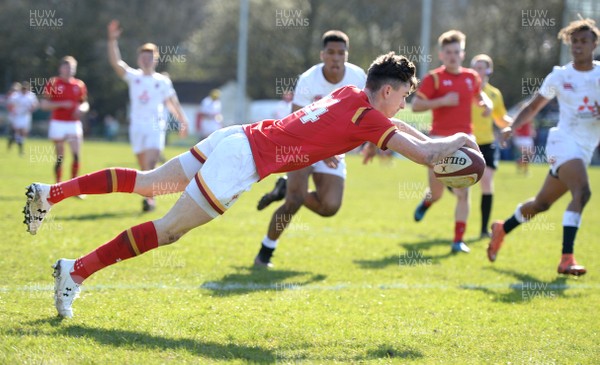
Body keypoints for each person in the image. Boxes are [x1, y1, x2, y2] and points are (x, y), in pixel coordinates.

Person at [23, 52, 480, 318]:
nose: (405, 104)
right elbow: (422, 153)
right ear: (387, 91)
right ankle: (75, 270)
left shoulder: (352, 96)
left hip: (240, 134)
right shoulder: (369, 115)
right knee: (168, 229)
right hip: (245, 159)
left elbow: (416, 137)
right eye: (405, 95)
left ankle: (50, 192)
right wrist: (462, 139)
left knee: (147, 184)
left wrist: (445, 138)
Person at [487, 18, 600, 276]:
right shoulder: (560, 75)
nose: (579, 46)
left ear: (595, 43)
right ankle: (566, 259)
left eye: (584, 41)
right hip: (563, 143)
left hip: (584, 148)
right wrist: (511, 127)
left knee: (541, 204)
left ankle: (502, 228)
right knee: (582, 193)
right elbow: (533, 107)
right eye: (575, 42)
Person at [254, 30, 367, 267]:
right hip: (302, 145)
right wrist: (322, 150)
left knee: (329, 207)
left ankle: (286, 187)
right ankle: (265, 253)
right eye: (331, 52)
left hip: (334, 149)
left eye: (340, 53)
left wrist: (373, 144)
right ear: (322, 55)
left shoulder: (358, 77)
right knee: (294, 202)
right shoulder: (308, 79)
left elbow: (368, 114)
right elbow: (296, 123)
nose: (335, 58)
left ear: (347, 55)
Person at [411, 30, 491, 253]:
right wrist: (443, 100)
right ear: (441, 54)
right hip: (438, 140)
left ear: (463, 53)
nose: (453, 56)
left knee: (464, 191)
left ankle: (458, 240)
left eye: (457, 51)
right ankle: (428, 202)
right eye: (448, 52)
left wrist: (486, 104)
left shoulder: (471, 77)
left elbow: (479, 95)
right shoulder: (434, 78)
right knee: (436, 192)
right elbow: (416, 105)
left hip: (465, 139)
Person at [107, 20, 189, 212]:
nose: (146, 60)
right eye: (143, 57)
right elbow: (115, 63)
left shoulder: (163, 81)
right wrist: (112, 40)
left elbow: (172, 103)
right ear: (138, 60)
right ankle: (148, 196)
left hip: (155, 126)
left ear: (156, 59)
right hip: (136, 127)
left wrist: (182, 121)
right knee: (143, 167)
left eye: (150, 57)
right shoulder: (133, 77)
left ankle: (149, 200)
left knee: (151, 163)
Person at [469, 54, 512, 238]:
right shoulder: (466, 89)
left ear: (489, 70)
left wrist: (512, 124)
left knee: (486, 182)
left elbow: (501, 120)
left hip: (487, 144)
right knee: (456, 184)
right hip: (466, 142)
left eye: (481, 67)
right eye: (475, 67)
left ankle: (483, 230)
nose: (478, 71)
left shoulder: (495, 94)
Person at [40, 56, 88, 184]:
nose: (69, 70)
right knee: (60, 157)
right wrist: (61, 104)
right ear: (61, 68)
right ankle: (58, 185)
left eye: (72, 68)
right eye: (66, 67)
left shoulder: (79, 84)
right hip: (58, 123)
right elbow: (44, 104)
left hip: (73, 124)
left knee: (76, 156)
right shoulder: (54, 82)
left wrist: (82, 109)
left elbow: (84, 103)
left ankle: (74, 187)